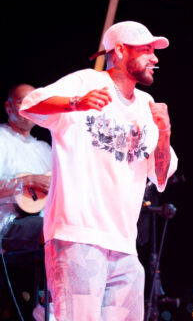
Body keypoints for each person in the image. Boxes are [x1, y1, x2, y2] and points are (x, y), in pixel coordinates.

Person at [19, 21, 178, 320]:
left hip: (125, 245)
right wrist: (74, 103)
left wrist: (165, 133)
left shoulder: (147, 104)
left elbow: (160, 175)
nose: (154, 58)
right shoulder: (86, 81)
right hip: (77, 236)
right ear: (120, 50)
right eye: (146, 50)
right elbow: (29, 105)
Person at [0, 84, 53, 320]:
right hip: (8, 224)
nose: (29, 106)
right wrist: (28, 181)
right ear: (8, 107)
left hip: (39, 220)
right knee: (54, 229)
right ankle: (47, 306)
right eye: (23, 101)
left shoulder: (44, 149)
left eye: (35, 101)